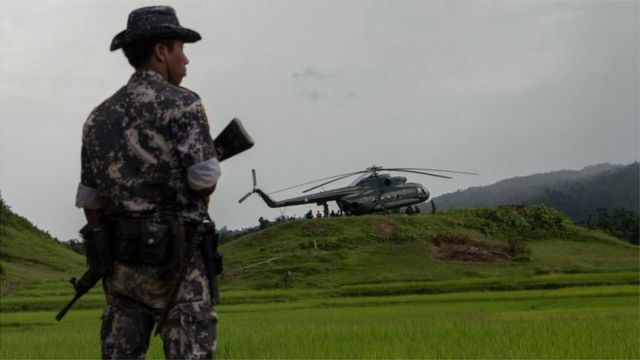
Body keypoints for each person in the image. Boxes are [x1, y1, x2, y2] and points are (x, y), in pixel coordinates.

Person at [75, 6, 218, 359]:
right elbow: (203, 181)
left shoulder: (98, 117)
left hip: (123, 267)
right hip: (178, 267)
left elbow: (90, 201)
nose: (185, 60)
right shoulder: (185, 104)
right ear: (160, 52)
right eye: (180, 49)